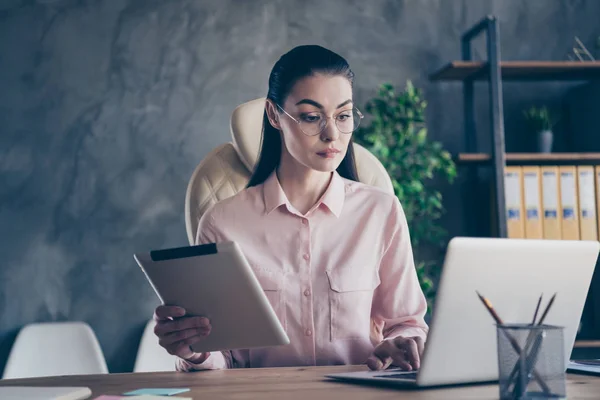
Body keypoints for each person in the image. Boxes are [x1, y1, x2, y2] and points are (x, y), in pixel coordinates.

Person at [153, 45, 429, 372]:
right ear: (273, 115)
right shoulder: (223, 222)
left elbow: (407, 323)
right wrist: (194, 351)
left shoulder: (380, 211)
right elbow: (222, 357)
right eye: (312, 117)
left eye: (342, 116)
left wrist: (403, 344)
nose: (331, 134)